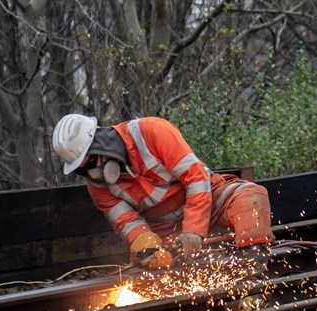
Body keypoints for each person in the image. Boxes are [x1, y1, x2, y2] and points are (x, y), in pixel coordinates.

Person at [52, 114, 275, 270]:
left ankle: (251, 269)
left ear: (102, 142)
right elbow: (126, 221)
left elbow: (196, 180)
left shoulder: (152, 131)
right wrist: (145, 242)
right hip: (167, 230)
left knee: (251, 199)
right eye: (84, 170)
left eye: (91, 162)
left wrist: (194, 229)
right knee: (150, 261)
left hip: (210, 198)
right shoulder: (97, 186)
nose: (94, 172)